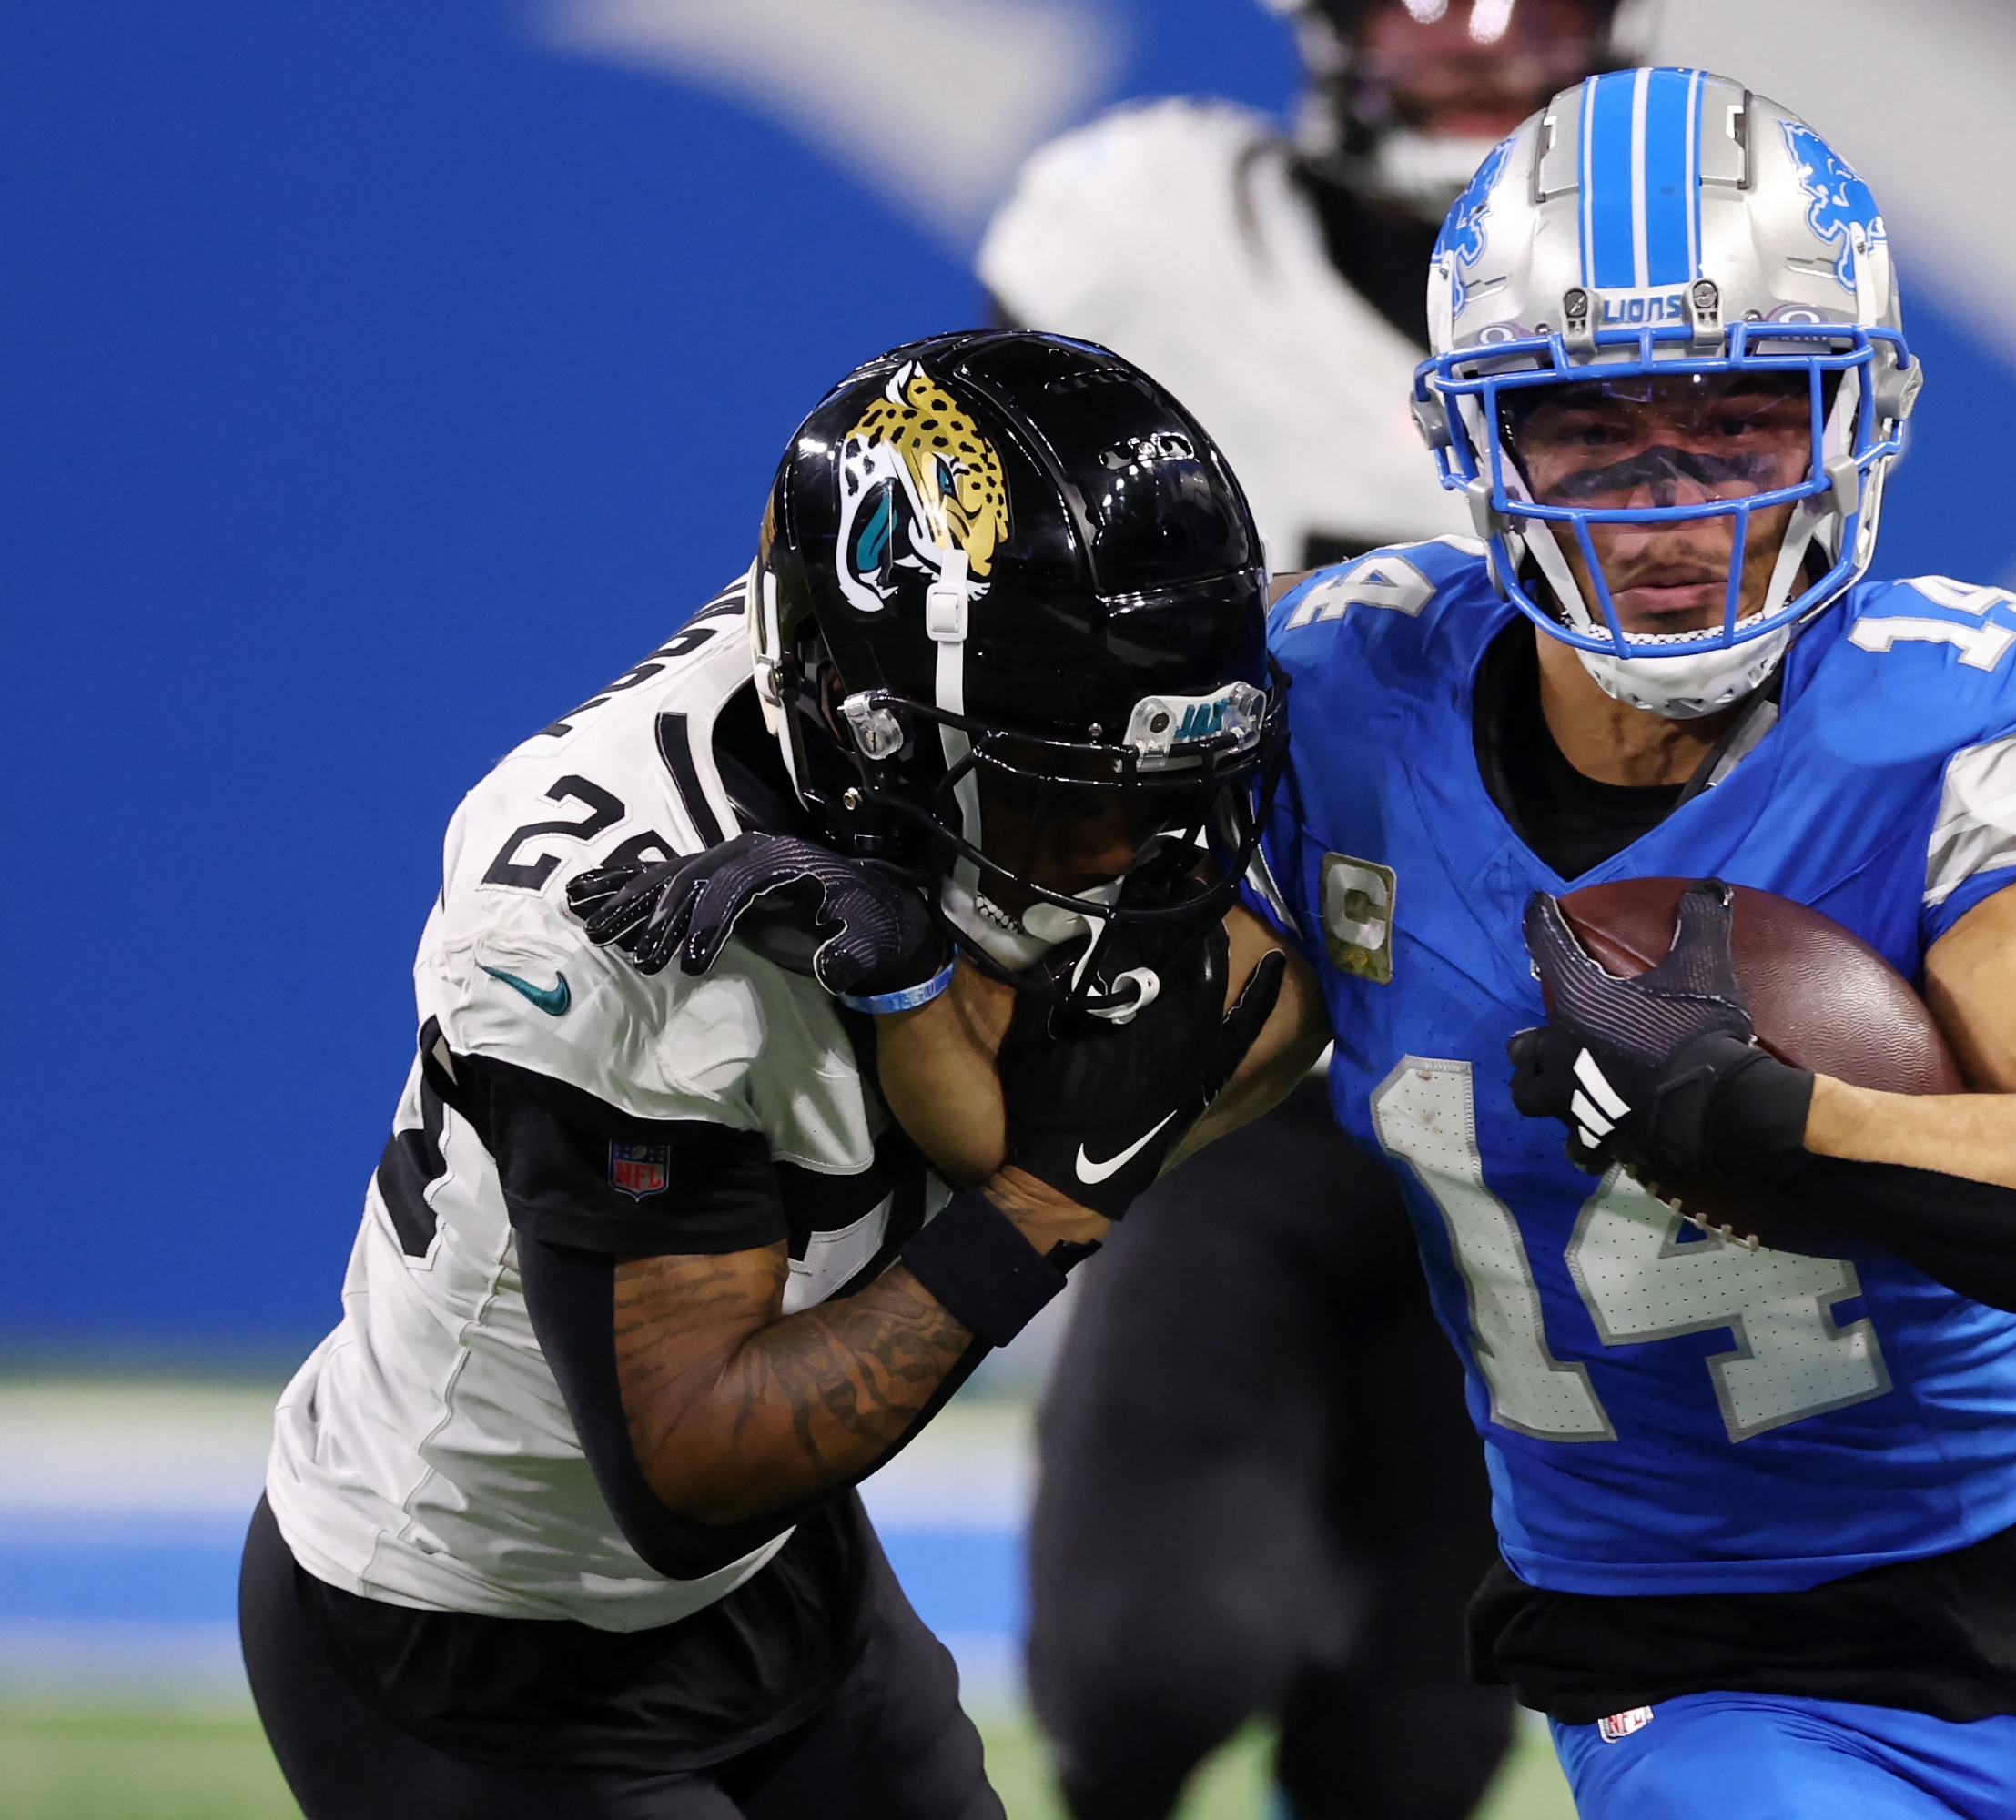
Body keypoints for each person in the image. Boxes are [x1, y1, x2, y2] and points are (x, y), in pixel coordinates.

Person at [1249, 67, 2016, 1819]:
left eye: (1738, 415)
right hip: (1687, 1651)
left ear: (1849, 417)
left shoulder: (1947, 720)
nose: (1666, 495)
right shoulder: (1341, 698)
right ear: (1475, 439)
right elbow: (1105, 1093)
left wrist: (1776, 1120)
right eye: (1589, 421)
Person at [241, 329, 1312, 1820]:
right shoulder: (613, 925)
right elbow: (688, 1475)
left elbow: (1273, 998)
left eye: (1160, 795)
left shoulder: (939, 707)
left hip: (787, 1593)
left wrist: (952, 1018)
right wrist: (1044, 1212)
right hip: (475, 1646)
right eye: (1068, 799)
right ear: (878, 740)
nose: (1130, 863)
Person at [978, 9, 1646, 1819]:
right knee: (1150, 1664)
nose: (1481, 43)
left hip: (1517, 1086)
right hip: (1243, 1056)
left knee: (1418, 1746)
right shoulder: (1150, 235)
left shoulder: (1685, 263)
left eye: (1532, 8)